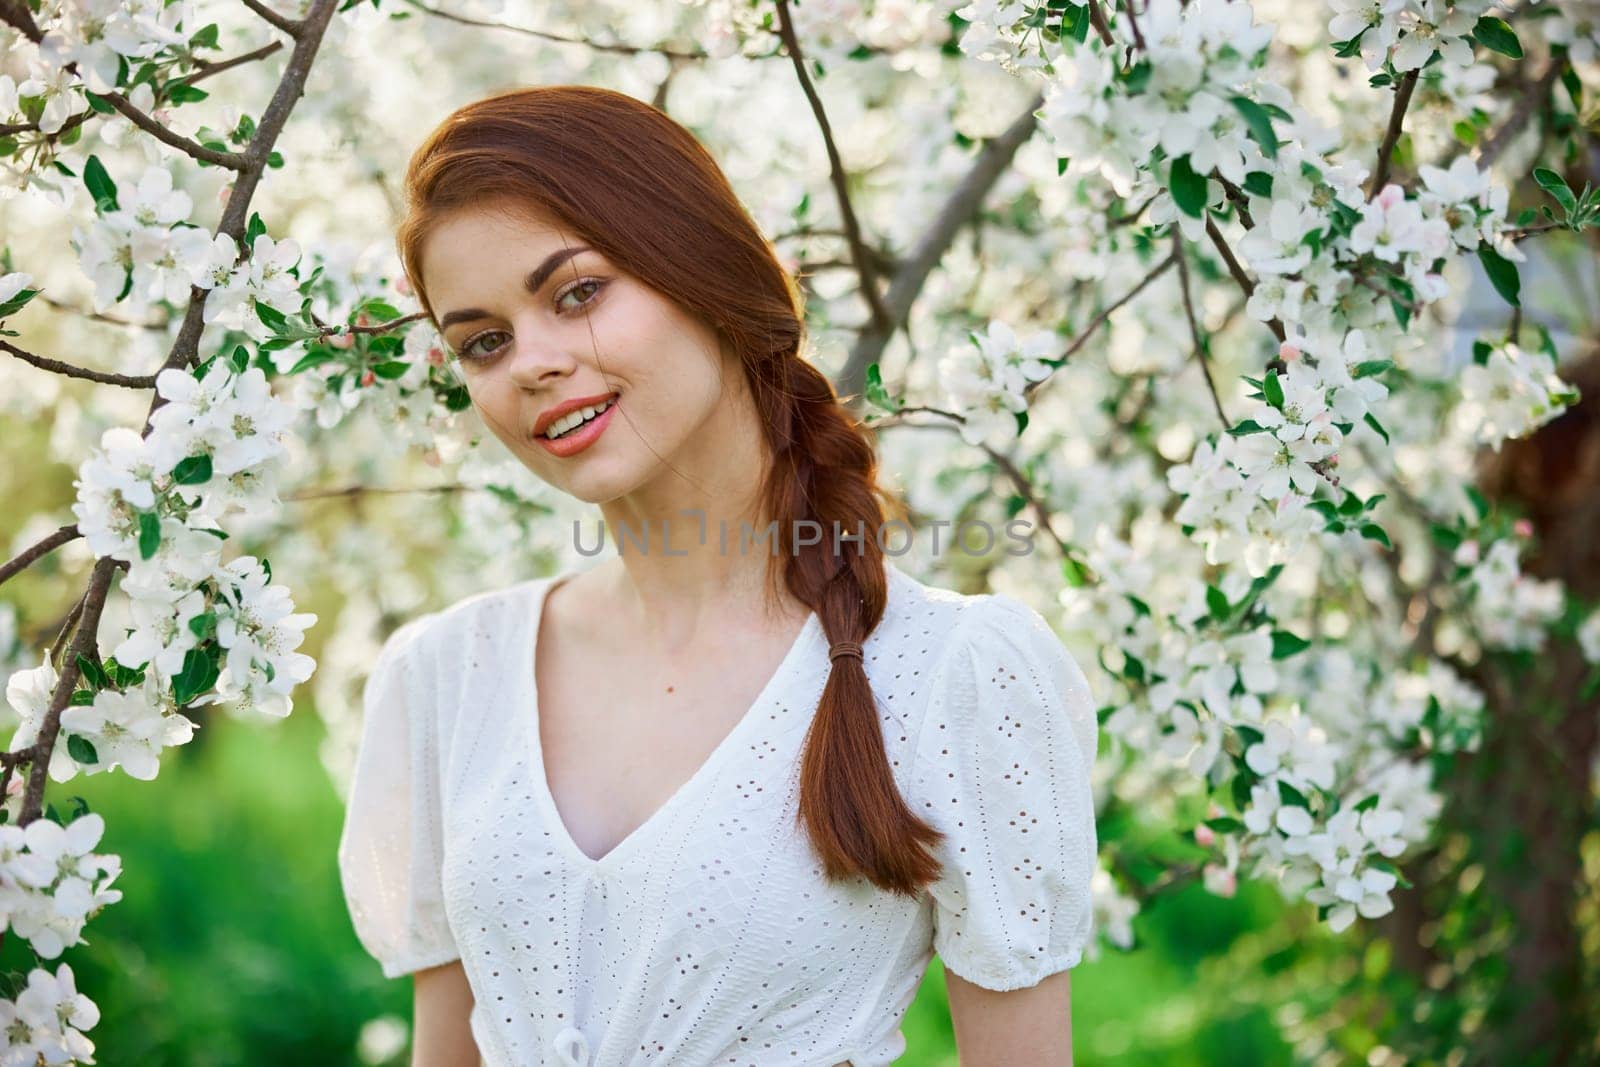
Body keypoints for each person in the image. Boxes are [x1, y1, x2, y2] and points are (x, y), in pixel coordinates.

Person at [337, 84, 1099, 1067]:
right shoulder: (447, 674)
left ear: (700, 268)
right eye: (483, 340)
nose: (532, 361)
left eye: (577, 291)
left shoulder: (952, 673)